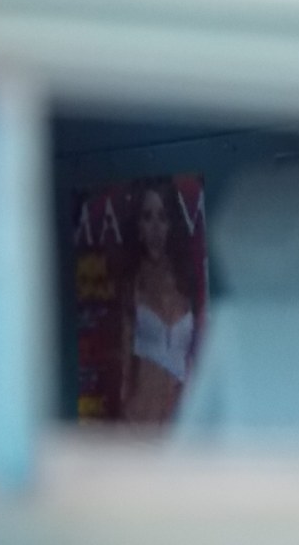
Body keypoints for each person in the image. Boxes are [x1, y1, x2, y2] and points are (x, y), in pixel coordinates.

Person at [120, 179, 197, 425]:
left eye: (163, 217)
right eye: (147, 217)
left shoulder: (187, 281)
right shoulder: (132, 282)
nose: (155, 227)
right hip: (142, 419)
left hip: (182, 419)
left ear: (172, 225)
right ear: (138, 226)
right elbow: (125, 365)